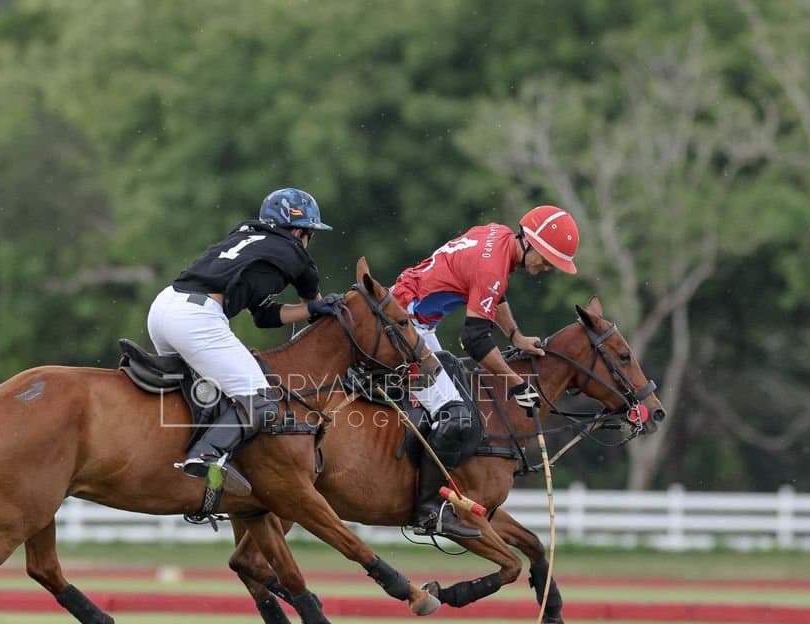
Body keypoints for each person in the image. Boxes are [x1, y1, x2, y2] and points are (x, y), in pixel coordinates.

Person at [391, 205, 581, 538]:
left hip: (412, 318)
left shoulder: (499, 236)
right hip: (403, 328)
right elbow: (474, 340)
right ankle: (427, 511)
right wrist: (516, 383)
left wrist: (516, 337)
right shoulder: (493, 265)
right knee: (458, 415)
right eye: (549, 259)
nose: (548, 267)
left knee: (457, 397)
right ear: (532, 243)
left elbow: (496, 293)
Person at [147, 187, 343, 495]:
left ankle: (197, 475)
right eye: (309, 233)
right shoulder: (295, 253)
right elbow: (320, 316)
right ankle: (206, 455)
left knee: (207, 397)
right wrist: (317, 305)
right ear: (298, 231)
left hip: (164, 308)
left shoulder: (245, 234)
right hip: (197, 319)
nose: (308, 241)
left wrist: (308, 309)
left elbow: (263, 315)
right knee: (262, 401)